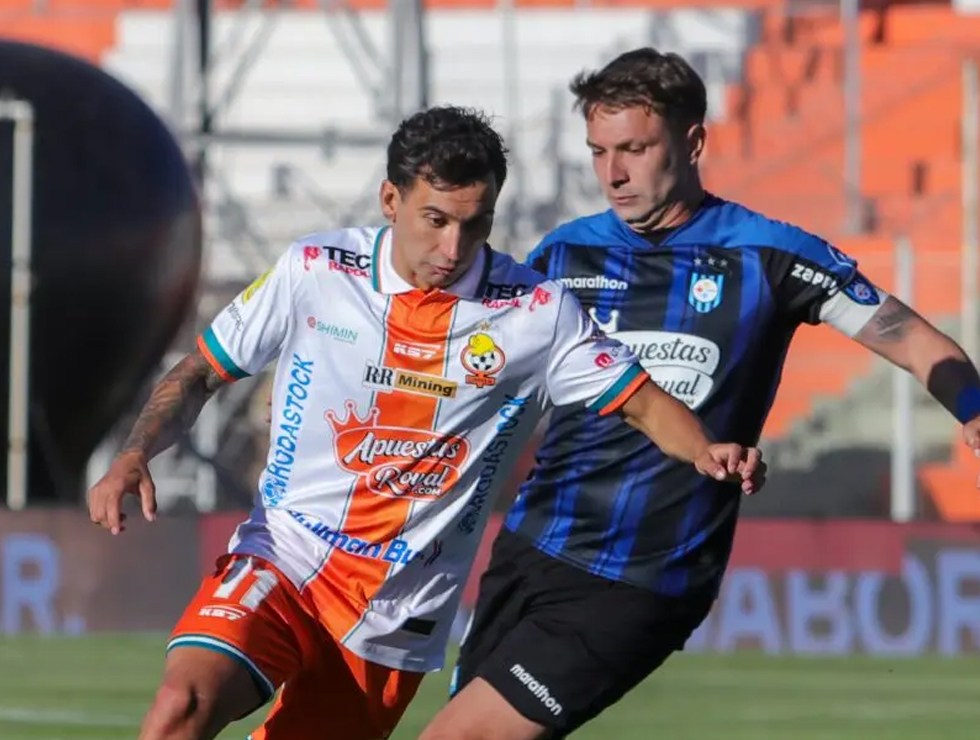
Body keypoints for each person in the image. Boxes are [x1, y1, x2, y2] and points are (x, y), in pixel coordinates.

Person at [86, 104, 765, 740]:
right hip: (284, 556)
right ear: (391, 201)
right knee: (181, 705)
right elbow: (202, 371)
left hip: (396, 608)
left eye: (477, 224)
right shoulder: (316, 271)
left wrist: (707, 451)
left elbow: (642, 401)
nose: (455, 245)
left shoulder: (534, 310)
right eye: (436, 220)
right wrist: (135, 452)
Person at [419, 49, 980, 740]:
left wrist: (972, 406)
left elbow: (915, 339)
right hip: (530, 550)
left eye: (634, 149)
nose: (613, 173)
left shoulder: (768, 255)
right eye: (598, 152)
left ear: (693, 142)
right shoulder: (564, 255)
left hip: (641, 576)